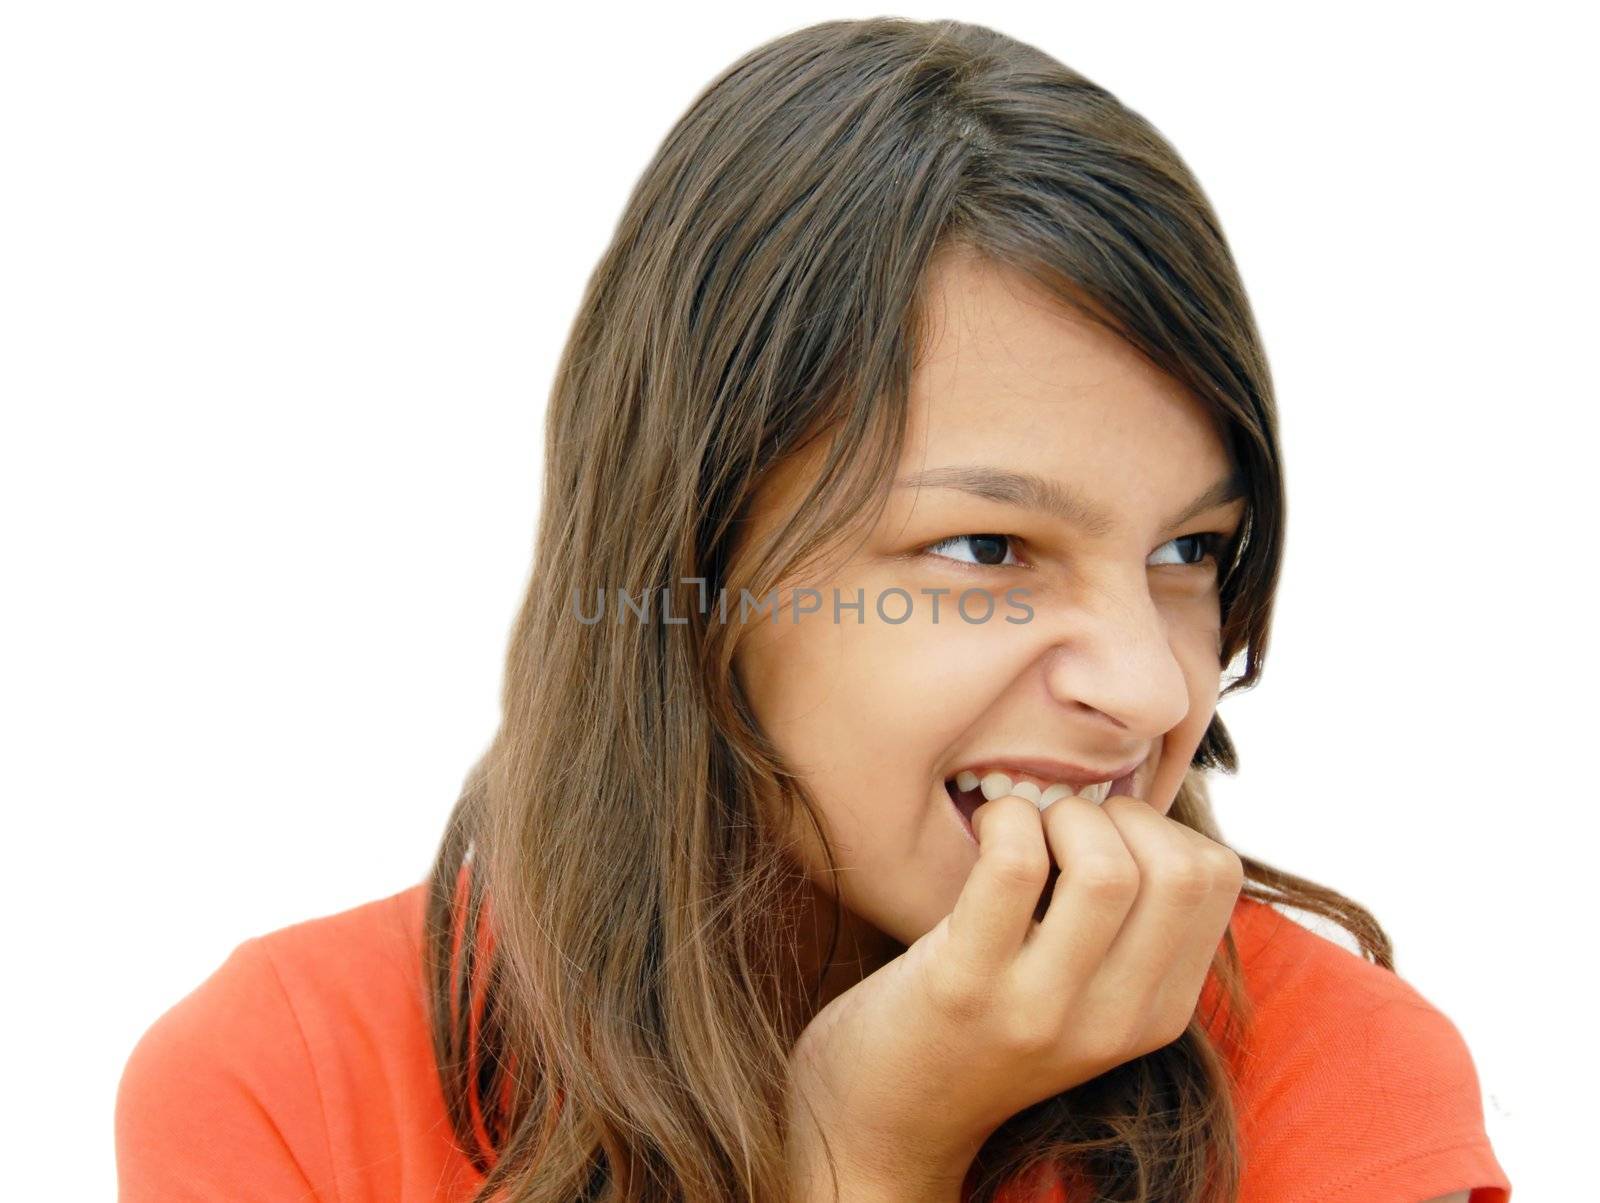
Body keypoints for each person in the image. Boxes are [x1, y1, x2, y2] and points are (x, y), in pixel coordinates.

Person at [115, 17, 1511, 1203]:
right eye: (987, 546)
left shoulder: (1340, 1079)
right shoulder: (292, 1085)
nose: (1151, 691)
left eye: (1189, 550)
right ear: (693, 578)